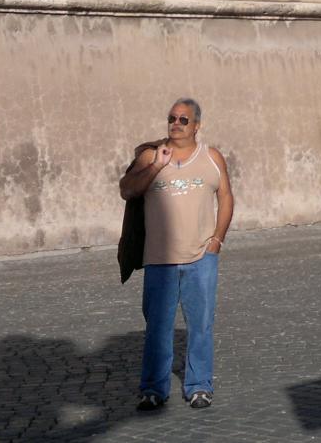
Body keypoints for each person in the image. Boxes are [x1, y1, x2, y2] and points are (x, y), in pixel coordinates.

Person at [118, 98, 234, 411]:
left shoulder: (211, 157)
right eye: (172, 118)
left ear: (197, 125)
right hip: (160, 260)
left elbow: (225, 197)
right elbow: (127, 190)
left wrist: (217, 241)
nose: (176, 123)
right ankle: (154, 389)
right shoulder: (150, 155)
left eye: (184, 119)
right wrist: (157, 165)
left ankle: (199, 387)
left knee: (200, 326)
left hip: (201, 258)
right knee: (157, 327)